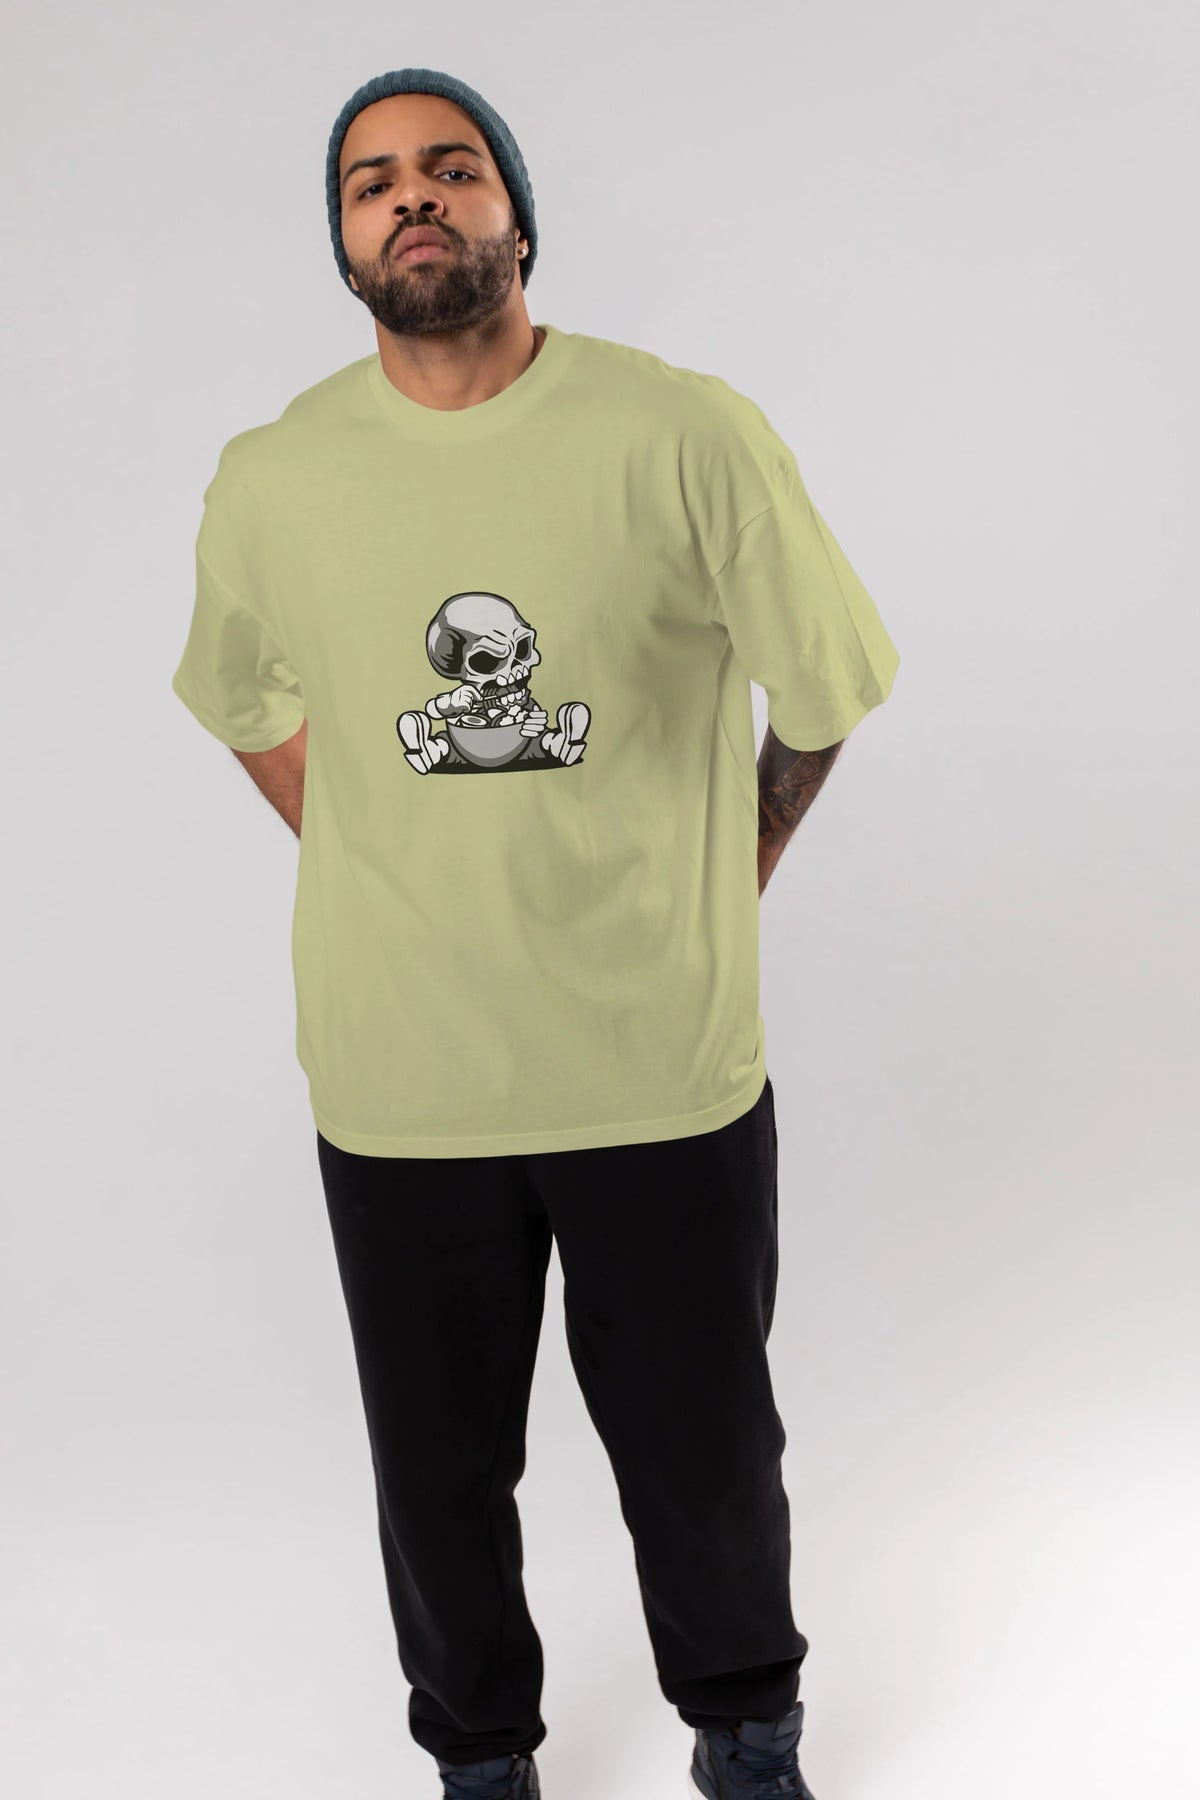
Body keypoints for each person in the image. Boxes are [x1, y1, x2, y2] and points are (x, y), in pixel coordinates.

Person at [170, 66, 900, 1800]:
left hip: (658, 1062)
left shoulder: (683, 434)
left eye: (452, 167)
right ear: (344, 242)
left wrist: (740, 858)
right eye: (372, 183)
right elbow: (242, 698)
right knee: (435, 1475)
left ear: (517, 214)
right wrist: (375, 843)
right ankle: (481, 1759)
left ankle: (747, 1732)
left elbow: (824, 685)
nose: (413, 197)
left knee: (705, 1448)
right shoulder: (274, 477)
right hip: (402, 1080)